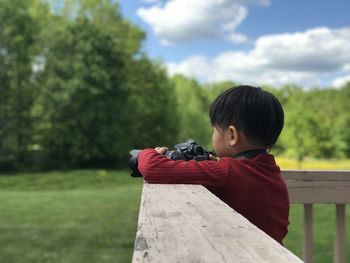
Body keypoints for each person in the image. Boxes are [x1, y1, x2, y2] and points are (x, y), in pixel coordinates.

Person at [137, 85, 289, 244]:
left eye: (214, 131)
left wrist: (147, 153)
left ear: (232, 135)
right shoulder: (272, 173)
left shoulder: (227, 171)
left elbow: (152, 167)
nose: (213, 135)